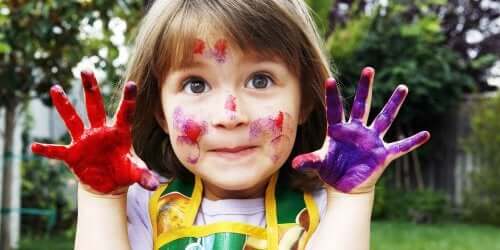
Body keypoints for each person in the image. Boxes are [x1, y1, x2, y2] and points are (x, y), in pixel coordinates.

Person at [31, 0, 430, 249]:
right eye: (196, 84)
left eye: (260, 80)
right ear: (160, 112)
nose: (229, 114)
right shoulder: (141, 209)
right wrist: (99, 198)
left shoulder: (323, 213)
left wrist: (353, 199)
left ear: (306, 101)